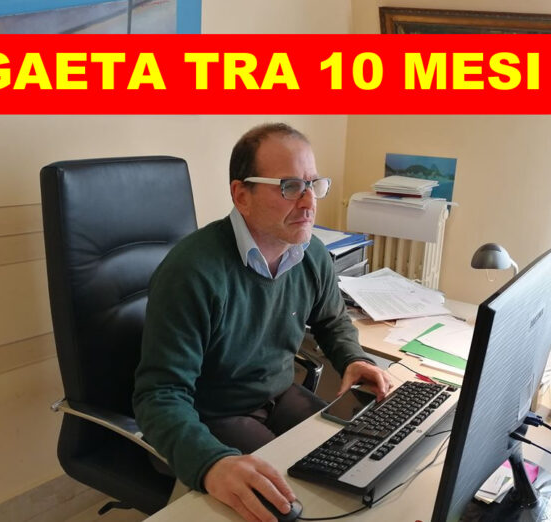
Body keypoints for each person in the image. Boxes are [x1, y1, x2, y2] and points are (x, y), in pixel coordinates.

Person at [133, 123, 391, 522]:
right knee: (294, 505)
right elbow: (159, 395)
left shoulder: (310, 253)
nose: (309, 202)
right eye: (290, 187)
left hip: (279, 394)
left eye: (313, 184)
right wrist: (210, 463)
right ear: (242, 195)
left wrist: (353, 358)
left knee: (360, 460)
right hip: (213, 414)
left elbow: (331, 320)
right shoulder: (192, 272)